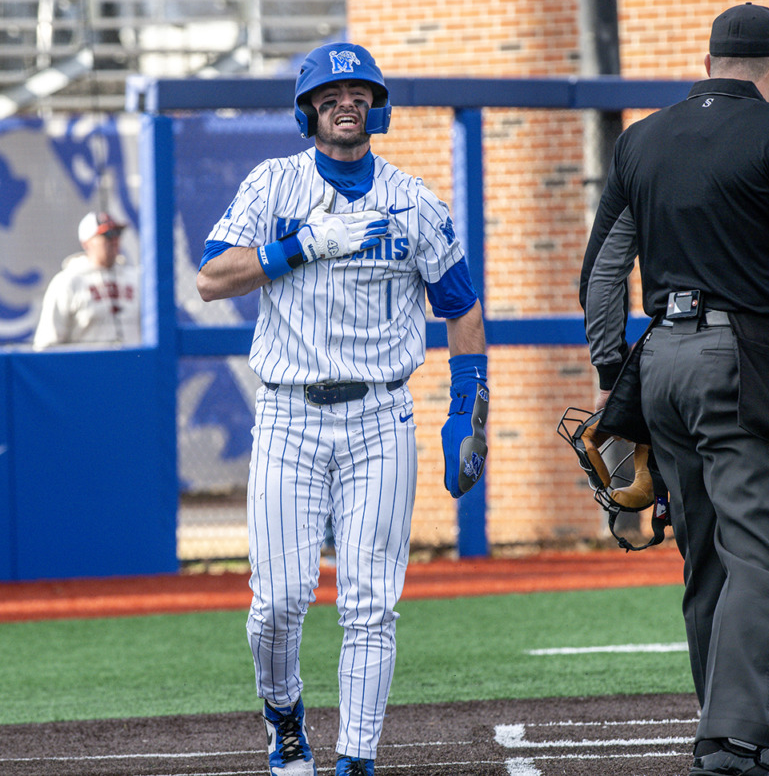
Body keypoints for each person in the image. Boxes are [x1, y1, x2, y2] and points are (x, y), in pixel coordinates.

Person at [579, 4, 769, 776]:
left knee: (705, 557)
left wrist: (616, 382)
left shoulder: (642, 138)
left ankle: (739, 729)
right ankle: (734, 738)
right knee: (767, 556)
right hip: (743, 359)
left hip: (662, 359)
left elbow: (602, 272)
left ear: (706, 64)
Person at [197, 42, 488, 776]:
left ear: (376, 105)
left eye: (357, 92)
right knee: (278, 604)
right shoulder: (274, 185)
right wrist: (303, 245)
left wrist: (465, 409)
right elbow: (211, 278)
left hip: (381, 416)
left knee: (370, 605)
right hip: (290, 415)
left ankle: (357, 759)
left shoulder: (415, 200)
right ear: (309, 112)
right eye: (330, 96)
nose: (345, 103)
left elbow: (461, 308)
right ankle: (284, 718)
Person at [33, 210, 139, 350]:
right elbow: (47, 344)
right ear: (86, 243)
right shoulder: (68, 281)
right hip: (87, 369)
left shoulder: (136, 278)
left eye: (117, 233)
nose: (114, 240)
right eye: (106, 235)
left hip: (133, 368)